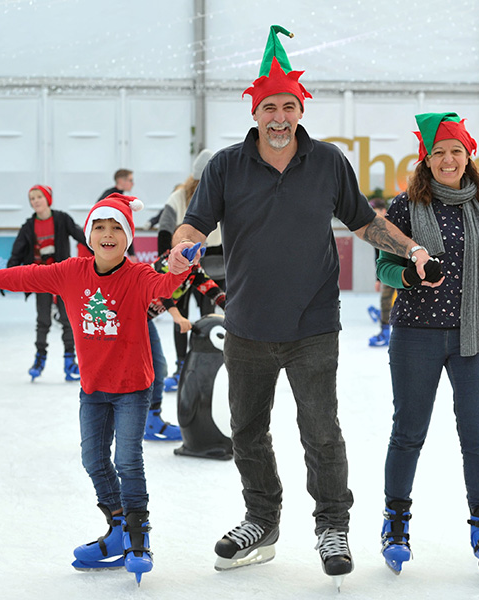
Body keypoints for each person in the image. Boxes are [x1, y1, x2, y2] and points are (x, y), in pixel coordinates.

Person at [170, 26, 443, 588]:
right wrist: (181, 245)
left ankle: (332, 525)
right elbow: (195, 222)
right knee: (247, 429)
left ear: (300, 110)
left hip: (314, 324)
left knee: (321, 431)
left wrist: (412, 247)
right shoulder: (224, 166)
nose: (279, 116)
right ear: (255, 110)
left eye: (288, 106)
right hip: (246, 323)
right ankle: (261, 521)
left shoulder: (327, 162)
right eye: (269, 106)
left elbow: (365, 221)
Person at [0, 193, 199, 584]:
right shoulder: (71, 273)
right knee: (93, 460)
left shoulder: (137, 277)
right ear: (88, 235)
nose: (107, 234)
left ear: (129, 237)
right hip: (94, 389)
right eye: (99, 227)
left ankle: (138, 537)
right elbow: (26, 275)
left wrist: (180, 263)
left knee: (128, 460)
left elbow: (167, 282)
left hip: (133, 388)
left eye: (117, 227)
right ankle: (117, 525)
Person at [375, 112, 479, 581]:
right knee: (408, 431)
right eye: (439, 152)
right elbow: (384, 268)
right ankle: (395, 521)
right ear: (426, 159)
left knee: (478, 439)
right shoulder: (405, 206)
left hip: (474, 339)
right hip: (416, 335)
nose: (448, 160)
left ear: (468, 156)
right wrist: (409, 275)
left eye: (456, 151)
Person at [143, 248, 226, 441]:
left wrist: (232, 309)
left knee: (157, 367)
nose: (198, 258)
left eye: (200, 252)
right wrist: (177, 316)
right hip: (129, 318)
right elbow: (160, 290)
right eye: (195, 253)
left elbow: (211, 288)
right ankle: (135, 420)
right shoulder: (167, 263)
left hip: (143, 320)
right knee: (149, 368)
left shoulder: (193, 268)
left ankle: (151, 420)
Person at [7, 185, 89, 381]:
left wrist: (101, 248)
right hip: (41, 278)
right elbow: (17, 252)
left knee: (68, 319)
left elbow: (83, 237)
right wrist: (7, 276)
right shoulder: (28, 226)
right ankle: (39, 359)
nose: (35, 201)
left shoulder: (62, 219)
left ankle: (70, 361)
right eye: (32, 198)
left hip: (63, 277)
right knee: (43, 320)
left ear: (48, 199)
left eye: (39, 197)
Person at [156, 149, 222, 391]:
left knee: (208, 319)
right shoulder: (179, 197)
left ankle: (203, 364)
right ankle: (181, 364)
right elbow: (164, 229)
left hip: (214, 267)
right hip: (181, 267)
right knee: (180, 316)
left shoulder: (222, 194)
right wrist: (166, 264)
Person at [367, 197, 396, 347]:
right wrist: (378, 278)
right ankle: (385, 331)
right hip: (387, 270)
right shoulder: (374, 230)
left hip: (401, 267)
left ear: (383, 211)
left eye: (376, 211)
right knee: (385, 300)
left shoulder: (395, 222)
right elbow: (377, 256)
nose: (374, 214)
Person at [98, 169, 137, 260]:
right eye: (130, 180)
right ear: (120, 181)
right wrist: (131, 253)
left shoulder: (110, 194)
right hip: (97, 244)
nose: (133, 183)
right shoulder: (115, 199)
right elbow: (124, 226)